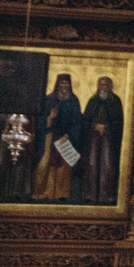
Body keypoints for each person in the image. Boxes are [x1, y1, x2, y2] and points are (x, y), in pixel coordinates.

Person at [31, 73, 84, 201]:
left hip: (65, 139)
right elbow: (41, 120)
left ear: (70, 85)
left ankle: (61, 194)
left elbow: (77, 122)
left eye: (66, 83)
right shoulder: (49, 100)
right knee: (46, 163)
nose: (64, 86)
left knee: (63, 166)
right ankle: (44, 193)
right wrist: (50, 118)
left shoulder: (73, 101)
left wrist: (68, 135)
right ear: (57, 84)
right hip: (49, 137)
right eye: (61, 83)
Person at [78, 76, 124, 205]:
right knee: (92, 165)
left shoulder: (115, 101)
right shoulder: (93, 101)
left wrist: (107, 127)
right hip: (93, 139)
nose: (103, 88)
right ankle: (90, 195)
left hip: (108, 139)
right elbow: (86, 120)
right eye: (101, 85)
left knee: (107, 166)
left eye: (105, 85)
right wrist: (94, 126)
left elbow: (118, 122)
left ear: (110, 87)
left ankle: (107, 196)